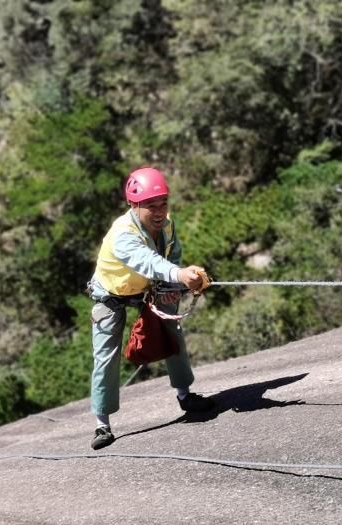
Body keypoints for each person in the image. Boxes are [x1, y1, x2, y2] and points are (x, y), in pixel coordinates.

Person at [87, 167, 214, 450]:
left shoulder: (166, 224)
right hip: (111, 295)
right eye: (151, 206)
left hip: (149, 288)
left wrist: (180, 284)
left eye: (163, 203)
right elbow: (148, 261)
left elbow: (172, 254)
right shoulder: (123, 234)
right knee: (106, 356)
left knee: (173, 329)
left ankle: (185, 396)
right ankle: (102, 424)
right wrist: (179, 275)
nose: (159, 211)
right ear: (134, 205)